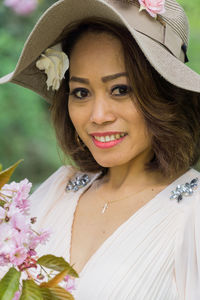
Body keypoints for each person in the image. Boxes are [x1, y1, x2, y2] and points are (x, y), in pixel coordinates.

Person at [1, 0, 200, 298]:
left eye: (120, 90)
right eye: (81, 92)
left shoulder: (192, 217)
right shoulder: (60, 188)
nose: (97, 116)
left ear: (165, 96)